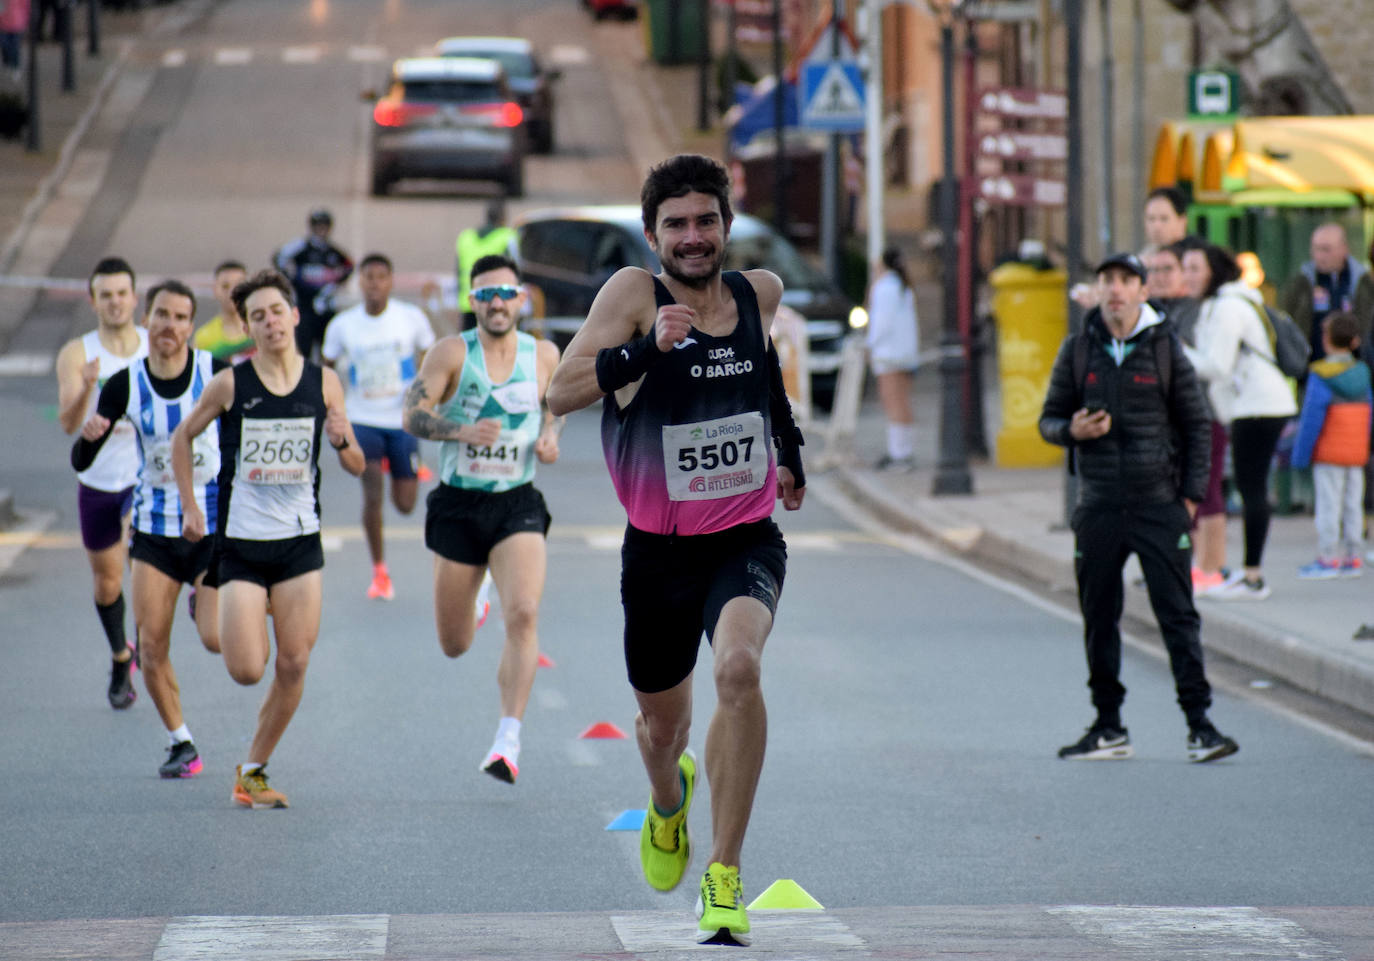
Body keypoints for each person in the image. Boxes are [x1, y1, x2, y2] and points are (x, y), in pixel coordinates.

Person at [545, 154, 807, 946]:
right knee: (662, 732)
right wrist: (642, 351)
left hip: (745, 536)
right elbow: (559, 390)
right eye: (676, 225)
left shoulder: (759, 294)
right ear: (653, 232)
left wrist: (788, 448)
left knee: (739, 670)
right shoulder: (632, 294)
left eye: (706, 221)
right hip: (656, 553)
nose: (693, 238)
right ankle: (668, 802)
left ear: (726, 224)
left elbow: (765, 382)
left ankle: (724, 875)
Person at [172, 269, 364, 809]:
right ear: (249, 328)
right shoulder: (232, 384)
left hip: (300, 543)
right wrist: (190, 505)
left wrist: (342, 437)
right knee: (246, 669)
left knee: (295, 663)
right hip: (242, 544)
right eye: (258, 316)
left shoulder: (324, 382)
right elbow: (183, 437)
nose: (270, 321)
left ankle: (253, 769)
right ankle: (213, 597)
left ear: (295, 315)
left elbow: (355, 463)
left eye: (276, 310)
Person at [1039, 252, 1237, 764]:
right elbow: (1049, 420)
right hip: (1100, 506)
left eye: (1126, 280)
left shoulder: (1166, 348)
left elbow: (1197, 426)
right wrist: (1073, 431)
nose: (1116, 290)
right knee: (1099, 617)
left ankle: (1201, 726)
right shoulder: (1079, 348)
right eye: (1107, 280)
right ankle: (1108, 727)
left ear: (1142, 291)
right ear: (1100, 290)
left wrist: (1189, 499)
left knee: (1177, 617)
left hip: (1158, 506)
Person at [402, 254, 560, 784]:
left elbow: (555, 404)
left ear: (521, 300)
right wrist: (459, 431)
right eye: (485, 295)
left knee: (525, 614)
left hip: (516, 502)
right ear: (472, 302)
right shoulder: (451, 352)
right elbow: (412, 414)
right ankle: (478, 595)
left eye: (505, 294)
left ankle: (507, 740)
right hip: (459, 504)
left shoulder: (543, 355)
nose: (496, 303)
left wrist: (550, 435)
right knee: (455, 644)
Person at [72, 280, 225, 778]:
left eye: (181, 318)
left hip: (209, 530)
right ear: (148, 320)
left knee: (215, 639)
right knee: (153, 645)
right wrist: (89, 436)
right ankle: (181, 743)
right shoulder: (126, 385)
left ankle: (204, 597)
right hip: (154, 534)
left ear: (191, 326)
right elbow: (80, 458)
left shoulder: (215, 375)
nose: (170, 326)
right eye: (162, 315)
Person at [55, 257, 149, 709]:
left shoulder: (154, 346)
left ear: (135, 297)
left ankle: (148, 642)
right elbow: (67, 423)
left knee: (145, 567)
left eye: (121, 293)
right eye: (105, 295)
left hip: (145, 475)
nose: (114, 302)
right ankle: (121, 656)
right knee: (107, 583)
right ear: (93, 301)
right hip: (97, 481)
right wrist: (85, 392)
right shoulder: (77, 353)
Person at [1182, 242, 1297, 601]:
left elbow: (1217, 365)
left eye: (1195, 268)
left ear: (1214, 271)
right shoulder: (1220, 305)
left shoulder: (1229, 307)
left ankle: (1253, 577)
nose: (1188, 276)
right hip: (1254, 403)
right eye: (1185, 268)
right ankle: (1250, 574)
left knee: (1252, 488)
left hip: (1259, 403)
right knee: (1251, 487)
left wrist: (1176, 349)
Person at [322, 253, 436, 600]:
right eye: (367, 277)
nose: (374, 283)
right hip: (363, 419)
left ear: (390, 281)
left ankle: (394, 463)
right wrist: (334, 409)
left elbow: (432, 358)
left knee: (404, 505)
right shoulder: (342, 325)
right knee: (372, 493)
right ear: (360, 282)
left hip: (401, 421)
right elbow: (325, 369)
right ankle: (380, 571)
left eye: (380, 277)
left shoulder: (410, 318)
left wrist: (422, 398)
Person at [1290, 311, 1372, 578]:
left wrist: (1301, 455)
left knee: (1328, 505)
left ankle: (1328, 557)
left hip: (1329, 451)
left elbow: (1311, 418)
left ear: (1325, 340)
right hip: (1356, 450)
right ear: (1355, 341)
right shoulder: (1362, 373)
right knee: (1352, 504)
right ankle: (1353, 556)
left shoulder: (1321, 374)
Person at [273, 208, 354, 360]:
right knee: (303, 351)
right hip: (305, 308)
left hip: (326, 309)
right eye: (318, 225)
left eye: (324, 226)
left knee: (328, 352)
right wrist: (292, 278)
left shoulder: (332, 252)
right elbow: (279, 257)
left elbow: (349, 266)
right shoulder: (301, 247)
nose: (321, 230)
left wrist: (335, 282)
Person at [1280, 223, 1367, 363]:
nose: (1319, 256)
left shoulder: (1363, 282)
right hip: (1312, 370)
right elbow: (1286, 325)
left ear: (1344, 248)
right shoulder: (1300, 284)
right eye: (1315, 249)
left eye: (1326, 249)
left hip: (1356, 368)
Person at [865, 245, 919, 470]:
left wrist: (869, 346)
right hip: (905, 353)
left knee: (892, 403)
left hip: (888, 355)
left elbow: (880, 323)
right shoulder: (903, 287)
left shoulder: (884, 288)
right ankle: (903, 450)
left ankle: (899, 454)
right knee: (902, 403)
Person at [455, 198, 516, 331]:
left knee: (468, 347)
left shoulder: (466, 237)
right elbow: (515, 273)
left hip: (467, 302)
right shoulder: (506, 237)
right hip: (494, 304)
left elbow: (458, 272)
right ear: (503, 218)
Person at [193, 260, 254, 363]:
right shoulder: (203, 339)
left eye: (239, 285)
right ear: (215, 290)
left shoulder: (261, 328)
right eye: (225, 286)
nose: (232, 292)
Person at [1142, 186, 1190, 251]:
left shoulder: (1196, 257)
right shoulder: (1143, 257)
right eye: (1151, 219)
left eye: (1164, 219)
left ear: (1182, 221)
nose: (1157, 226)